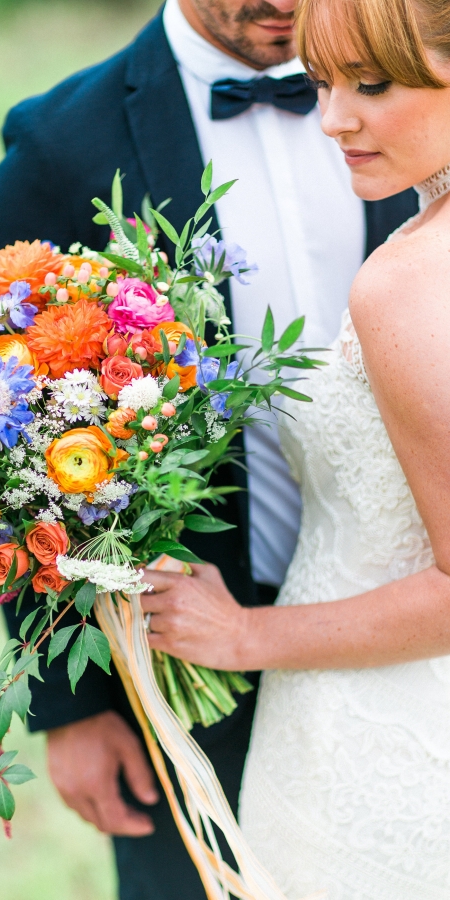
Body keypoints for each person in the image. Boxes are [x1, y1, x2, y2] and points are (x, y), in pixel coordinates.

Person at [0, 1, 416, 897]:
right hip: (181, 658)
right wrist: (75, 707)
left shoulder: (414, 89)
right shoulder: (65, 142)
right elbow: (8, 442)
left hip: (407, 633)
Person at [142, 0, 450, 895]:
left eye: (373, 84)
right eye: (322, 82)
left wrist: (242, 635)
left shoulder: (406, 286)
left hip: (368, 742)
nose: (334, 119)